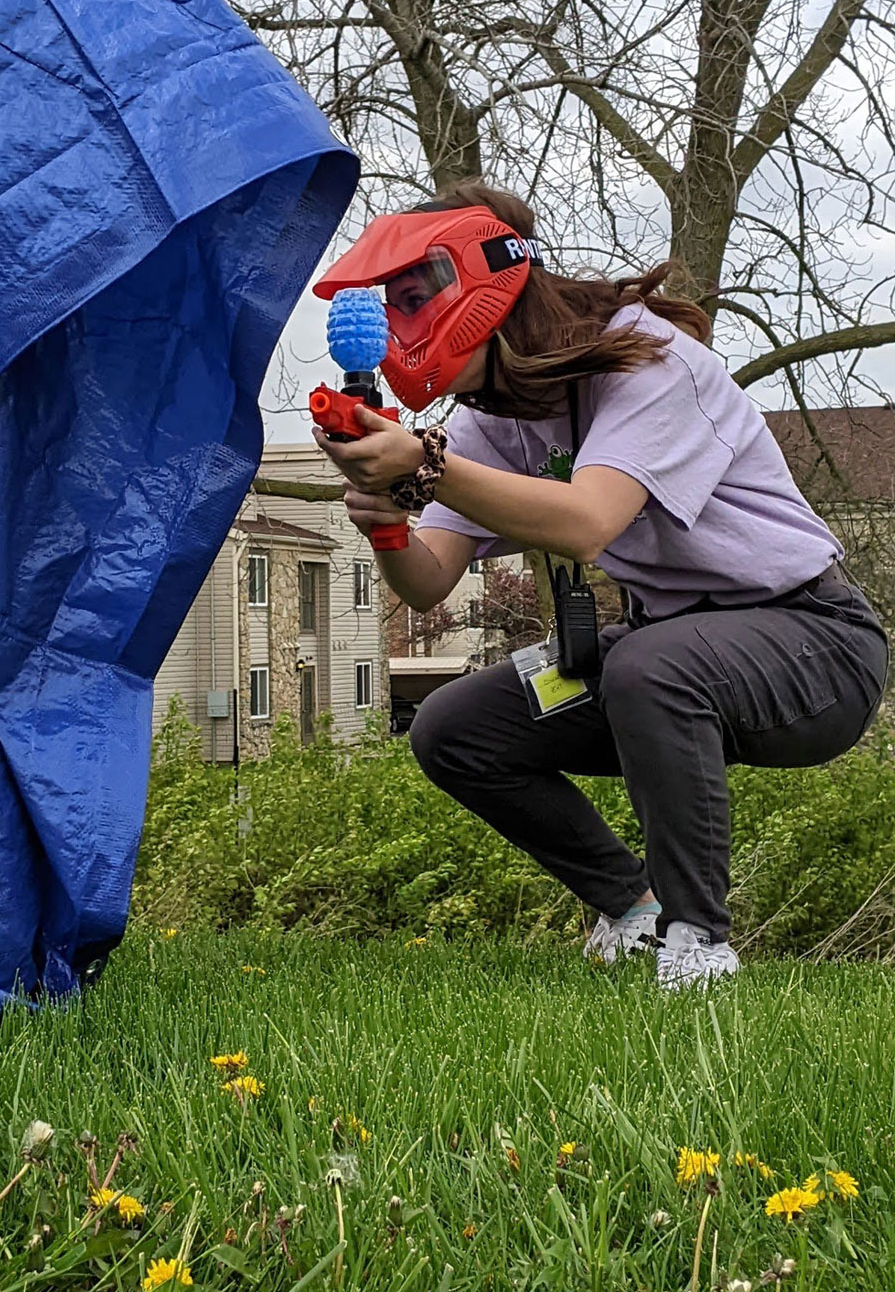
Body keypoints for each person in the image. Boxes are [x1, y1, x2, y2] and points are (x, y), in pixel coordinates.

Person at [312, 182, 889, 990]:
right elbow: (428, 584)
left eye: (415, 296)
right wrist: (387, 521)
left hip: (814, 645)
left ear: (482, 284)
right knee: (453, 729)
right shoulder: (491, 418)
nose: (402, 320)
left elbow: (588, 521)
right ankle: (635, 911)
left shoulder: (653, 361)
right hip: (665, 646)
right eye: (392, 302)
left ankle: (699, 947)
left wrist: (428, 467)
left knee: (647, 666)